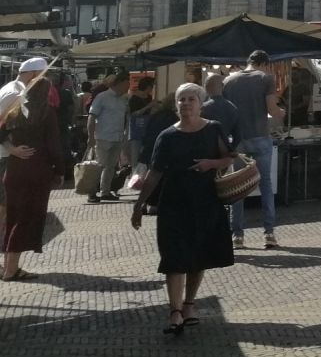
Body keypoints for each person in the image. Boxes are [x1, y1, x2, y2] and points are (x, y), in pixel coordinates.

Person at [130, 82, 234, 334]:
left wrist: (211, 164)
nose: (185, 103)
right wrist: (139, 205)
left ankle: (189, 304)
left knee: (198, 256)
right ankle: (174, 311)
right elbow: (155, 173)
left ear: (200, 104)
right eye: (181, 100)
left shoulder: (213, 129)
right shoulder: (166, 136)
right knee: (174, 257)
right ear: (176, 105)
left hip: (206, 201)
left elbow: (229, 157)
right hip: (173, 203)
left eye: (190, 99)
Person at [2, 67, 67, 281]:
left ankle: (8, 267)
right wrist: (60, 170)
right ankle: (11, 269)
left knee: (13, 217)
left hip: (14, 170)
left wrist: (12, 150)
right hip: (36, 170)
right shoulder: (47, 113)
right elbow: (54, 144)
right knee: (25, 219)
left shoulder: (16, 108)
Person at [221, 51, 282, 249]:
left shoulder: (229, 81)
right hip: (260, 136)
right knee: (265, 184)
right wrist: (282, 112)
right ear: (264, 63)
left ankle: (237, 235)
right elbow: (272, 110)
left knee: (238, 187)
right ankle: (269, 233)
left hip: (238, 140)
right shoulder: (266, 78)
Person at [86, 69, 132, 203]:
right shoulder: (102, 97)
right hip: (103, 136)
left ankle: (105, 192)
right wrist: (91, 136)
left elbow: (125, 116)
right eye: (127, 85)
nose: (128, 88)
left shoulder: (124, 99)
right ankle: (92, 192)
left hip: (117, 137)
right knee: (100, 165)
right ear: (121, 83)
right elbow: (92, 116)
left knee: (111, 166)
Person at [200, 73, 239, 149]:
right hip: (224, 150)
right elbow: (238, 136)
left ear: (205, 87)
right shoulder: (233, 108)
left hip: (205, 150)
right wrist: (230, 150)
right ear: (222, 86)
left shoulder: (202, 108)